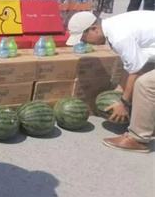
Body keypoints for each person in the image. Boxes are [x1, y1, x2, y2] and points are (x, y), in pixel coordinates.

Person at [66, 11, 155, 153]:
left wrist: (123, 103)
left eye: (83, 38)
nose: (84, 42)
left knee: (145, 84)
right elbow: (132, 64)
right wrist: (120, 89)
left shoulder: (119, 36)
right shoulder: (114, 26)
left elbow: (135, 71)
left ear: (94, 29)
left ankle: (138, 139)